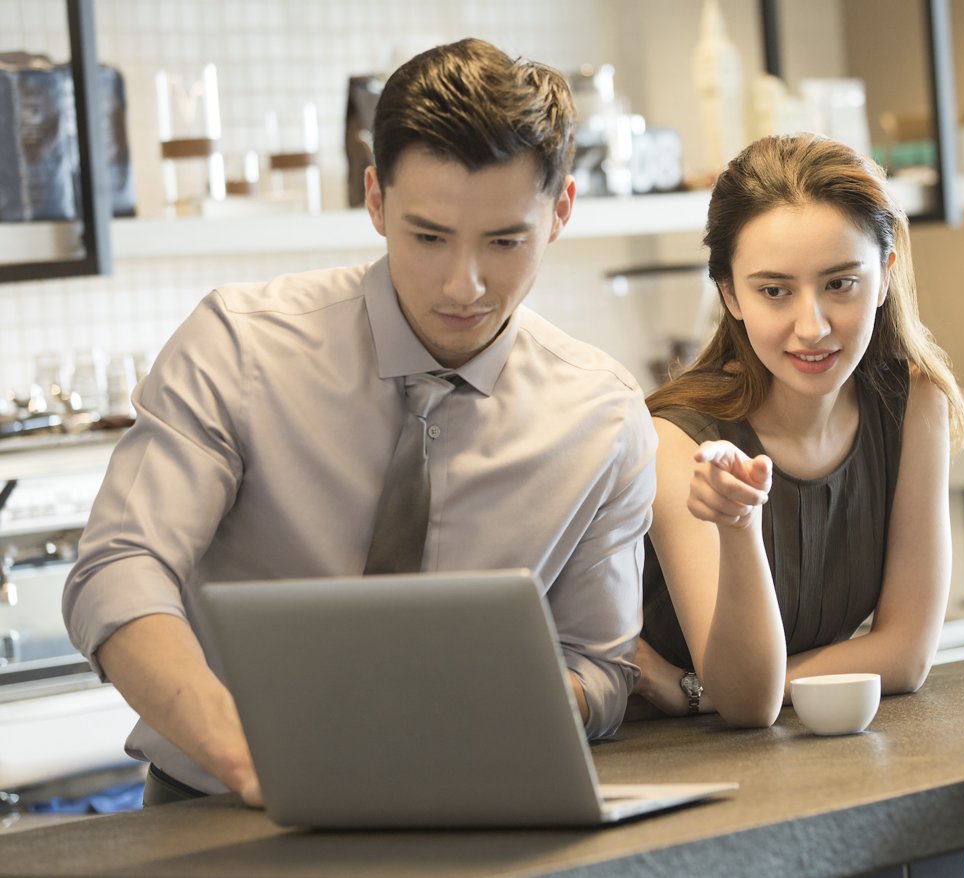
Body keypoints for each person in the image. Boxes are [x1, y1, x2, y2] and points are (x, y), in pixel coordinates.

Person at [62, 38, 655, 807]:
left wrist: (496, 715)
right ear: (375, 200)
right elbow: (118, 571)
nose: (463, 284)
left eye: (505, 241)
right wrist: (247, 756)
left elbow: (602, 671)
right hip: (218, 808)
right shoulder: (239, 346)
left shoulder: (604, 417)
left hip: (474, 805)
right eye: (429, 236)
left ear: (561, 210)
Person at [630, 133, 964, 727]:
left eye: (840, 283)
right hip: (669, 759)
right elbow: (745, 703)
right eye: (774, 291)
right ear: (731, 294)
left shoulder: (914, 403)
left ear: (885, 273)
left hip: (770, 735)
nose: (811, 327)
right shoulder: (675, 440)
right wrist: (739, 526)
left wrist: (695, 690)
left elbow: (908, 654)